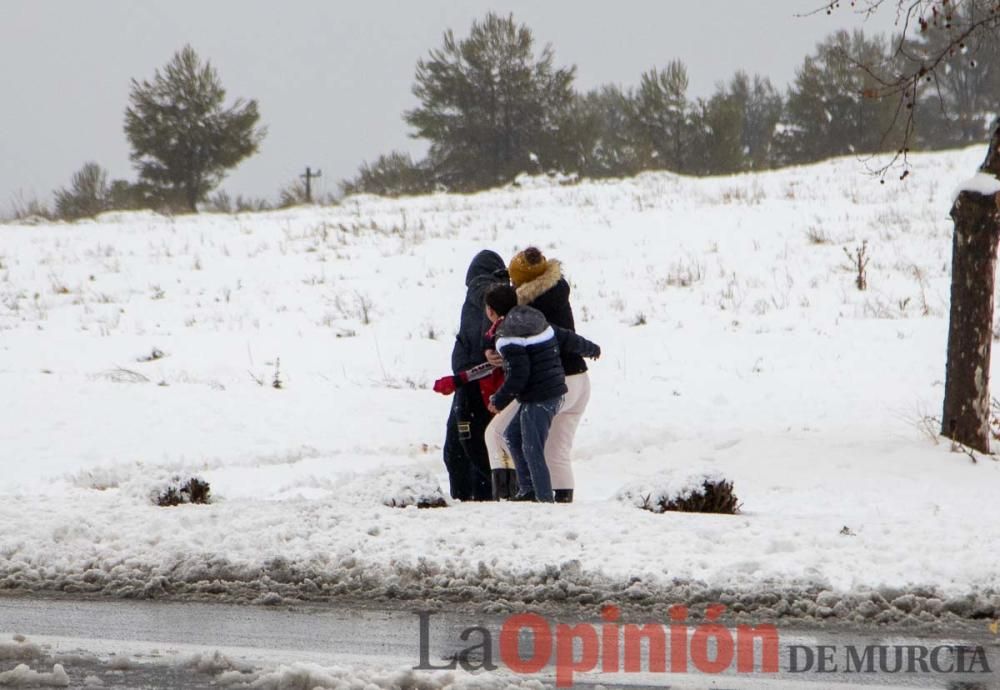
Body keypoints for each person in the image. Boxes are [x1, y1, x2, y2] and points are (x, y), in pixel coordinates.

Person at [485, 247, 590, 503]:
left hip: (552, 382)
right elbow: (565, 337)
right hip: (580, 381)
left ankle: (515, 498)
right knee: (557, 453)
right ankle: (560, 509)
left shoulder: (528, 309)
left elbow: (523, 364)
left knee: (498, 434)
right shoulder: (558, 291)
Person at [436, 250, 507, 501]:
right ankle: (475, 497)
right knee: (465, 448)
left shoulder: (488, 297)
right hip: (471, 383)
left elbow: (480, 343)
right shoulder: (484, 302)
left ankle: (476, 499)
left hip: (479, 387)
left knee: (467, 449)